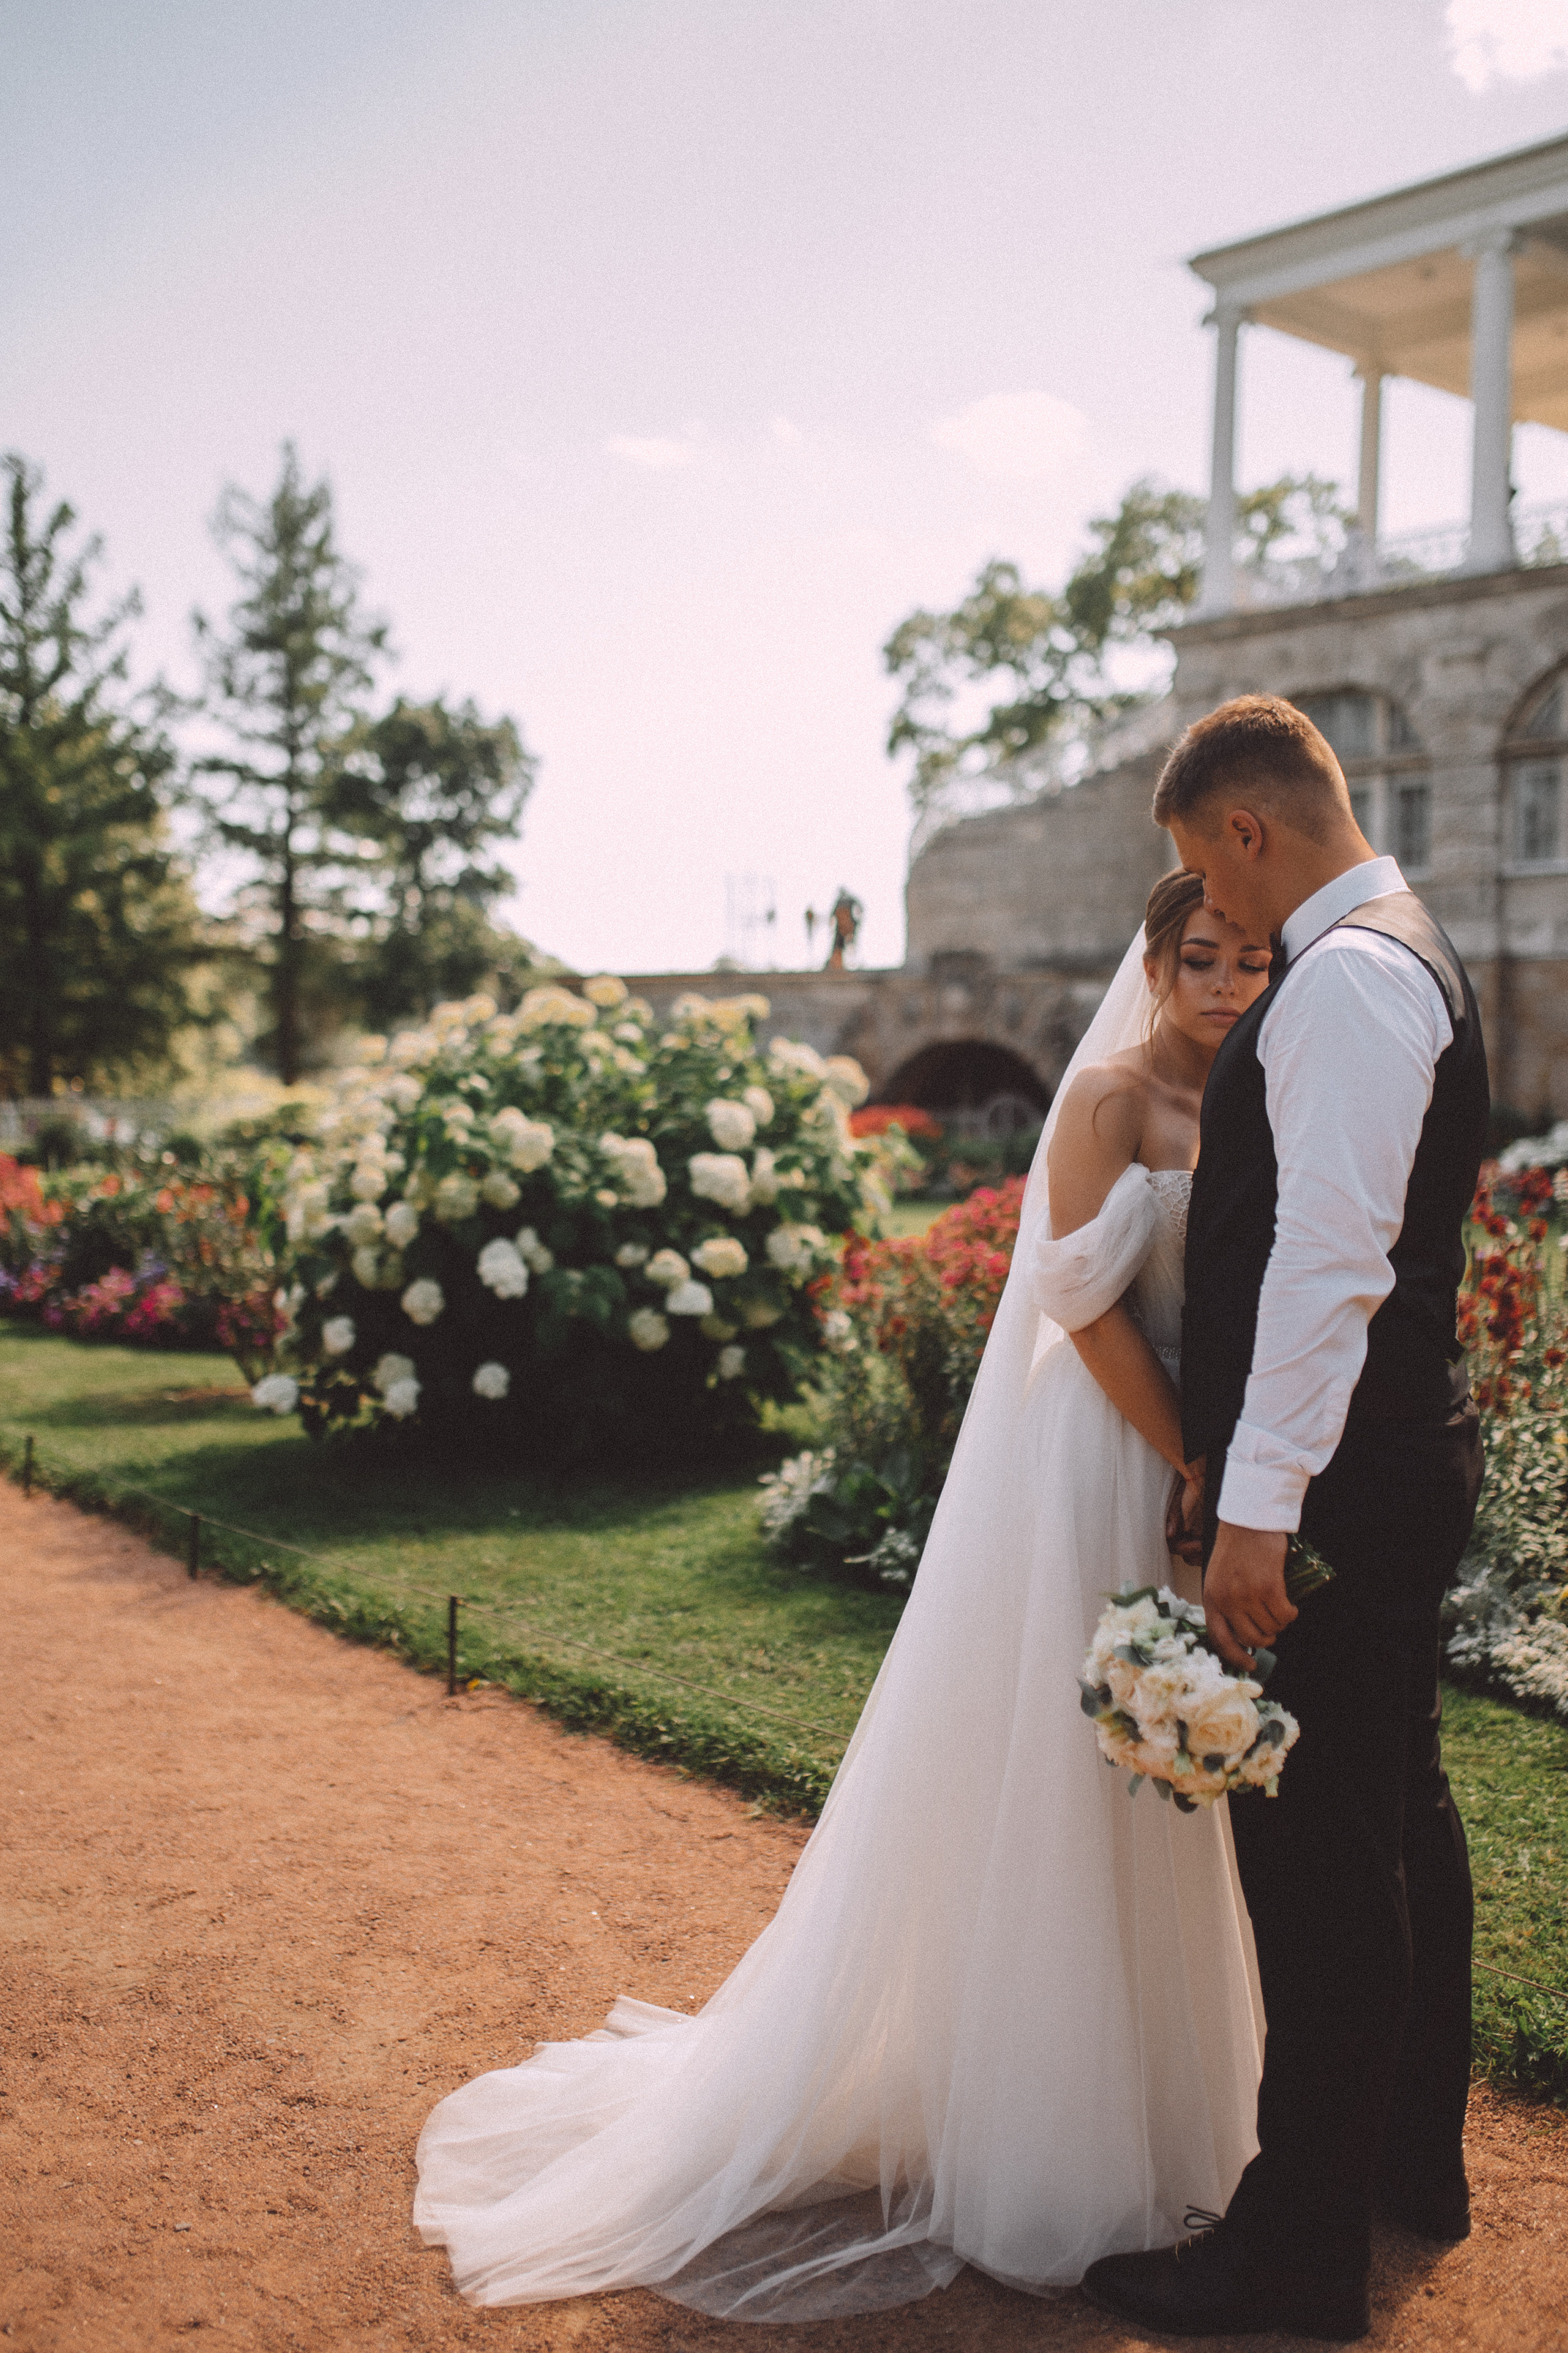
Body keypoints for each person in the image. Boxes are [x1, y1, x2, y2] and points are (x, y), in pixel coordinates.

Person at [413, 871, 1275, 2323]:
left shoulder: (1256, 1091)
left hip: (1201, 1468)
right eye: (1202, 958)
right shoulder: (1109, 1099)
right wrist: (1183, 1451)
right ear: (1153, 960)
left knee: (1177, 1785)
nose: (1229, 984)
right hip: (1109, 1454)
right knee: (1076, 1776)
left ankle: (1173, 2110)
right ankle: (1046, 2138)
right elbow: (1071, 1302)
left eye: (1253, 959)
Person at [1084, 696, 1488, 2345]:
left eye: (1202, 867)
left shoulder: (1347, 980)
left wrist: (1256, 1510)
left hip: (1331, 1490)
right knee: (1395, 1817)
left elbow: (1332, 1262)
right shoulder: (1399, 950)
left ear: (1244, 830)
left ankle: (1296, 2255)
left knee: (1317, 1862)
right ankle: (1409, 2169)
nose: (1212, 913)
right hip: (1390, 1468)